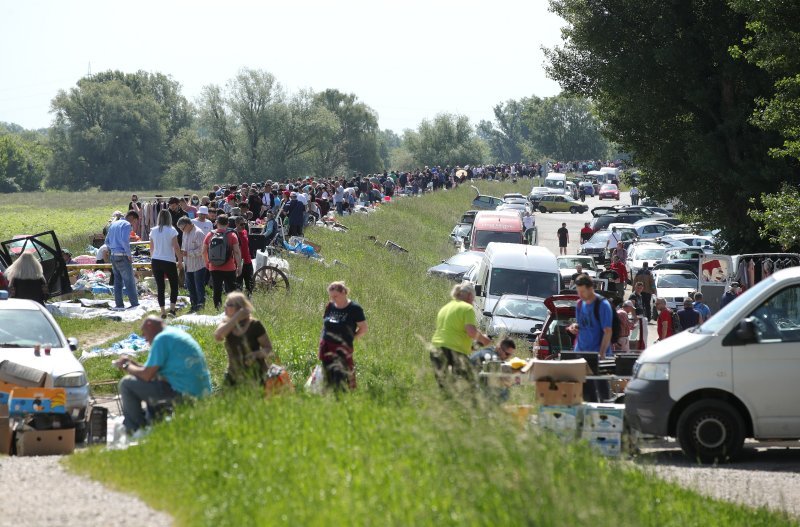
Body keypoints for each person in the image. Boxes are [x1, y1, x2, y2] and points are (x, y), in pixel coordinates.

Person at [113, 317, 212, 434]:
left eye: (143, 333)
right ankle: (156, 426)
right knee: (152, 384)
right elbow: (152, 371)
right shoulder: (173, 334)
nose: (144, 338)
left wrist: (126, 366)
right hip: (199, 393)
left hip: (183, 394)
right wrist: (133, 364)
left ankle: (135, 430)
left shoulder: (161, 339)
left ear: (149, 325)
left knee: (127, 383)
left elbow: (146, 375)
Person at [430, 283, 491, 391]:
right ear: (469, 296)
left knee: (444, 385)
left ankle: (447, 403)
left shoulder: (445, 307)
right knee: (472, 381)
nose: (473, 300)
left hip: (436, 348)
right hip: (454, 350)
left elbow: (454, 333)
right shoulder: (467, 308)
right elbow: (471, 332)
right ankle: (472, 404)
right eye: (473, 297)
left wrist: (474, 346)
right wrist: (484, 339)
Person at [214, 292, 274, 385]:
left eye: (229, 305)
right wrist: (236, 318)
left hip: (256, 374)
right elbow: (218, 336)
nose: (225, 307)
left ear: (239, 308)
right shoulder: (226, 324)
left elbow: (268, 349)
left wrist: (255, 354)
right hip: (233, 374)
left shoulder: (255, 325)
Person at [318, 282, 368, 391]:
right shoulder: (330, 306)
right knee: (327, 377)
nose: (333, 299)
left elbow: (363, 328)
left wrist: (351, 338)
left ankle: (341, 399)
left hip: (342, 350)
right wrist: (321, 340)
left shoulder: (354, 308)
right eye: (331, 296)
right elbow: (325, 325)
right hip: (326, 347)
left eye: (335, 296)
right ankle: (328, 400)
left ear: (344, 292)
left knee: (340, 378)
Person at [567, 274, 613, 359]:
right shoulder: (579, 304)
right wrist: (573, 327)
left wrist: (601, 354)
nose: (580, 295)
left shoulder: (603, 305)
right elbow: (580, 325)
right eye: (578, 291)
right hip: (580, 353)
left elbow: (608, 331)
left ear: (591, 288)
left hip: (597, 355)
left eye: (583, 292)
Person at [203, 214, 242, 310]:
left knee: (217, 290)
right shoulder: (232, 235)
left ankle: (217, 309)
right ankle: (233, 310)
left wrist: (207, 263)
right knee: (232, 291)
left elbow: (203, 251)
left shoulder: (210, 235)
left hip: (214, 267)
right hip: (229, 267)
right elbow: (236, 252)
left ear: (216, 223)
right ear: (228, 224)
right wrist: (239, 266)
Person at [149, 209, 183, 319]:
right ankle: (172, 309)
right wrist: (180, 260)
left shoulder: (153, 230)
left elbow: (151, 248)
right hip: (169, 260)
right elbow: (176, 246)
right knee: (174, 285)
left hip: (156, 260)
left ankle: (163, 311)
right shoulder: (172, 230)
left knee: (160, 287)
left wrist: (152, 259)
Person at [104, 210, 140, 309]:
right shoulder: (127, 224)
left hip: (113, 255)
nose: (134, 224)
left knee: (117, 282)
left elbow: (106, 241)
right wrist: (129, 254)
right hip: (123, 255)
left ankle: (119, 304)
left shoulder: (113, 224)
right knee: (129, 281)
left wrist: (112, 249)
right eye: (135, 222)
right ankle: (134, 303)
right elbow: (125, 241)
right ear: (133, 218)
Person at [177, 217, 207, 312]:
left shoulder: (198, 233)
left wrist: (188, 253)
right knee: (190, 287)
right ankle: (193, 305)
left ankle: (201, 305)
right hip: (188, 265)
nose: (182, 230)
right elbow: (183, 247)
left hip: (198, 265)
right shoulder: (185, 233)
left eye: (183, 228)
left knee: (199, 286)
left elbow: (202, 250)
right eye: (180, 229)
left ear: (189, 224)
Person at [233, 216, 254, 295]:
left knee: (250, 284)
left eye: (244, 224)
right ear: (236, 224)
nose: (243, 226)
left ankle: (249, 300)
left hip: (247, 261)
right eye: (241, 224)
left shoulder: (245, 231)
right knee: (238, 285)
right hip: (238, 263)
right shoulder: (233, 234)